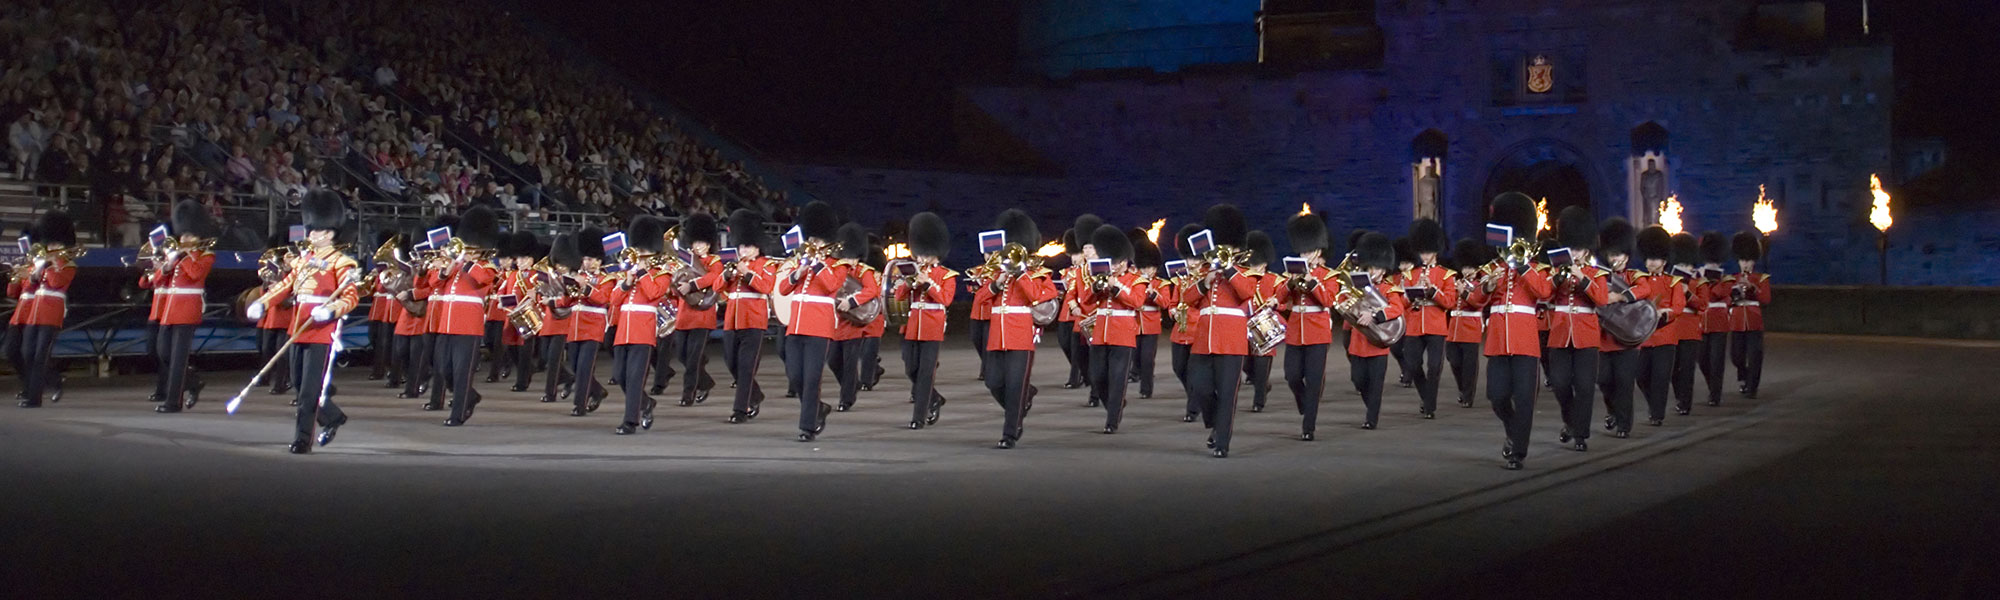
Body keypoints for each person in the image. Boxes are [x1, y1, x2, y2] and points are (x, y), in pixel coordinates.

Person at [244, 191, 357, 454]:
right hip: (298, 328)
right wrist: (263, 303)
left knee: (308, 392)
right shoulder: (304, 261)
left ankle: (302, 439)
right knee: (298, 384)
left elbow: (350, 297)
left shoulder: (342, 262)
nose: (310, 235)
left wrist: (330, 311)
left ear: (329, 233)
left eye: (315, 231)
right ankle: (332, 416)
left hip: (321, 332)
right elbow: (285, 286)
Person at [1468, 193, 1555, 470]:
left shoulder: (1537, 268)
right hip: (1497, 341)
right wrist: (1487, 287)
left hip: (1526, 340)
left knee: (1525, 398)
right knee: (1497, 395)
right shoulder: (1491, 268)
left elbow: (1544, 292)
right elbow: (1473, 300)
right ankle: (1512, 430)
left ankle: (1518, 451)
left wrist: (1521, 266)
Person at [1184, 205, 1256, 457]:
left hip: (1231, 339)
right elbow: (1187, 297)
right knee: (1200, 387)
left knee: (1227, 394)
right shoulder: (1204, 271)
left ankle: (1222, 442)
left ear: (1236, 248)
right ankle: (1215, 425)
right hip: (1204, 339)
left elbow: (1247, 293)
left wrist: (1228, 269)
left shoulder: (1244, 271)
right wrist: (1205, 282)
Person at [983, 209, 1057, 449]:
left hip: (1021, 335)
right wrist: (997, 283)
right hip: (997, 335)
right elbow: (980, 299)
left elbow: (1036, 297)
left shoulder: (1038, 274)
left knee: (1015, 386)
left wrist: (1021, 273)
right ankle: (1023, 401)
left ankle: (1010, 433)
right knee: (994, 382)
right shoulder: (995, 272)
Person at [777, 201, 847, 441]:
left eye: (818, 241)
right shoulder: (800, 262)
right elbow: (784, 289)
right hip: (795, 325)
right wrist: (798, 272)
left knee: (811, 378)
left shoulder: (838, 265)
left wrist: (816, 264)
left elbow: (831, 286)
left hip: (819, 327)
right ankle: (818, 408)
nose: (813, 244)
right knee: (795, 375)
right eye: (812, 240)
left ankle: (808, 426)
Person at [1543, 207, 1608, 451]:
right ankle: (1571, 422)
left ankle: (1580, 434)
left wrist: (1581, 277)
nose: (1575, 253)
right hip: (1560, 333)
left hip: (1586, 334)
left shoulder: (1596, 273)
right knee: (1559, 383)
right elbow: (1545, 295)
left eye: (1579, 249)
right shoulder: (1556, 270)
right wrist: (1558, 278)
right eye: (1572, 248)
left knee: (1583, 385)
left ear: (1587, 249)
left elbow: (1601, 299)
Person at [433, 206, 502, 426]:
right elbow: (435, 283)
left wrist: (467, 261)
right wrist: (446, 266)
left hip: (469, 326)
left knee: (462, 373)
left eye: (472, 248)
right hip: (447, 323)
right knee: (444, 369)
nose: (468, 251)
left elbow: (482, 279)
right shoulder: (455, 266)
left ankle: (458, 413)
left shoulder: (487, 267)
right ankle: (470, 397)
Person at [150, 201, 219, 413]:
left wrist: (183, 256)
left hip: (188, 309)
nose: (185, 239)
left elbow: (196, 274)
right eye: (183, 236)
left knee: (178, 358)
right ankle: (192, 382)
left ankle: (173, 402)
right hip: (170, 310)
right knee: (163, 353)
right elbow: (157, 281)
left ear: (199, 236)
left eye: (190, 236)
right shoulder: (177, 255)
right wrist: (167, 264)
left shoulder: (206, 255)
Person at [608, 216, 674, 434]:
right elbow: (614, 300)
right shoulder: (626, 272)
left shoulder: (661, 274)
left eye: (644, 250)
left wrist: (643, 273)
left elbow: (655, 293)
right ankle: (646, 404)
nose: (640, 253)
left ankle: (630, 422)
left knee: (635, 379)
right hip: (623, 332)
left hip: (643, 331)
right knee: (620, 376)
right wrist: (627, 281)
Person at [1340, 233, 1408, 430]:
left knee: (1376, 384)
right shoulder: (1357, 286)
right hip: (1358, 342)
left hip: (1377, 343)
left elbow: (1397, 308)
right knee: (1358, 380)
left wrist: (1376, 315)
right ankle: (1372, 408)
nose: (1373, 271)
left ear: (1384, 268)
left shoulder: (1389, 288)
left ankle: (1372, 418)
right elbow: (1345, 302)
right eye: (1370, 267)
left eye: (1376, 267)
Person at [894, 212, 956, 429]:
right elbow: (899, 296)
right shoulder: (913, 271)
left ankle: (918, 418)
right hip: (912, 326)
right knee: (911, 369)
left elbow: (945, 299)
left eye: (922, 253)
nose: (918, 257)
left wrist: (928, 283)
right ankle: (935, 398)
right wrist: (909, 283)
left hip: (932, 326)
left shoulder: (947, 275)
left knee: (925, 373)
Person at [1278, 211, 1335, 440]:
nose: (1306, 254)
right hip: (1295, 330)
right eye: (1303, 250)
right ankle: (1305, 406)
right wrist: (1291, 283)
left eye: (1309, 250)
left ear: (1318, 251)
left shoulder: (1328, 275)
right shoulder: (1290, 273)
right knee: (1292, 376)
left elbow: (1328, 300)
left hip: (1317, 331)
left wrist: (1312, 283)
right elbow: (1281, 297)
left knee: (1313, 380)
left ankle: (1308, 426)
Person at [1595, 218, 1654, 439]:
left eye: (1618, 255)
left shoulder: (1634, 275)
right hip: (1604, 339)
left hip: (1627, 338)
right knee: (1604, 380)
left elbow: (1644, 289)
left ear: (1627, 256)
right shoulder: (1600, 276)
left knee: (1625, 382)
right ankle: (1612, 410)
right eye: (1611, 255)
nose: (1614, 259)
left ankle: (1624, 424)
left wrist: (1620, 295)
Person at [1083, 224, 1144, 433]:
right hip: (1101, 332)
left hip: (1123, 333)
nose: (1115, 266)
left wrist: (1116, 287)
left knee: (1118, 379)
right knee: (1097, 377)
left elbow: (1136, 302)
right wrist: (1096, 287)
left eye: (1118, 262)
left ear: (1125, 262)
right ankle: (1115, 406)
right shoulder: (1101, 276)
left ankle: (1112, 421)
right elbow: (1086, 302)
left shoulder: (1137, 280)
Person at [14, 213, 76, 408]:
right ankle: (35, 390)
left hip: (51, 313)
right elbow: (31, 285)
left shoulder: (68, 264)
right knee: (27, 353)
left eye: (55, 245)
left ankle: (34, 398)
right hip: (35, 312)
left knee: (40, 355)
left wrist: (49, 266)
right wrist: (34, 273)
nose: (52, 248)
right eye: (51, 245)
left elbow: (57, 282)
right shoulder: (44, 262)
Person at [721, 209, 777, 423]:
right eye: (742, 245)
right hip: (732, 320)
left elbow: (766, 286)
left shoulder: (767, 265)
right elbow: (719, 287)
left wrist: (747, 273)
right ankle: (755, 395)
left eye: (748, 246)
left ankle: (740, 409)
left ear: (758, 247)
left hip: (753, 321)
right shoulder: (733, 264)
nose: (744, 249)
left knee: (745, 367)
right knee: (731, 363)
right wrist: (727, 275)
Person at [1399, 218, 1455, 419]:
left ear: (1436, 251)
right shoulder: (1410, 275)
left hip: (1436, 325)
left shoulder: (1446, 275)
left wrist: (1433, 292)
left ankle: (1429, 406)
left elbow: (1449, 302)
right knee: (1413, 366)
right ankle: (1427, 398)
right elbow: (1402, 302)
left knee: (1434, 367)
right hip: (1415, 325)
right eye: (1422, 252)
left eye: (1428, 252)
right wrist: (1409, 296)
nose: (1424, 256)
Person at [556, 226, 613, 418]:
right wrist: (565, 289)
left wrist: (584, 286)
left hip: (594, 327)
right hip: (576, 327)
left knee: (585, 368)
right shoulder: (579, 277)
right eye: (585, 259)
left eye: (590, 259)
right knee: (575, 366)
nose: (586, 262)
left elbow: (603, 299)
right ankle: (597, 391)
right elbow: (566, 302)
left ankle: (578, 405)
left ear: (599, 260)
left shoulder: (606, 279)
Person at [1634, 226, 1686, 427]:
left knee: (1661, 377)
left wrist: (1666, 313)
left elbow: (1678, 306)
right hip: (1646, 337)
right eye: (1648, 259)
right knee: (1642, 376)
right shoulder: (1641, 280)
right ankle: (1653, 404)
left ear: (1664, 261)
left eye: (1655, 259)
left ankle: (1657, 413)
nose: (1651, 263)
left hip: (1665, 335)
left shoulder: (1673, 282)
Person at [670, 212, 724, 407]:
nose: (698, 246)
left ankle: (688, 394)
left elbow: (713, 278)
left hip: (702, 316)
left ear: (709, 244)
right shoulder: (685, 261)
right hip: (685, 314)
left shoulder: (714, 261)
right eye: (695, 243)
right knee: (683, 355)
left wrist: (692, 285)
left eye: (702, 243)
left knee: (692, 359)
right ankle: (706, 382)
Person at [825, 224, 879, 413]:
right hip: (835, 323)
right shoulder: (836, 268)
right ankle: (851, 386)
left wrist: (852, 301)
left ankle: (846, 398)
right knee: (833, 361)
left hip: (853, 324)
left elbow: (872, 290)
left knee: (849, 364)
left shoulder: (864, 271)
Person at [1059, 216, 1103, 399]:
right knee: (1081, 358)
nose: (1086, 251)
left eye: (1090, 247)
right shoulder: (1079, 271)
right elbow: (1071, 292)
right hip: (1081, 319)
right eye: (1084, 248)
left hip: (1099, 317)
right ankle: (1090, 382)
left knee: (1096, 359)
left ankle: (1095, 394)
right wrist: (1073, 305)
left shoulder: (1105, 268)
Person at [1240, 231, 1282, 413]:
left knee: (1262, 365)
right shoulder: (1243, 279)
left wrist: (1276, 302)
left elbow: (1285, 300)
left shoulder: (1274, 280)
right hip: (1244, 326)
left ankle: (1259, 401)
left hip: (1264, 326)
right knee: (1246, 364)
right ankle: (1262, 385)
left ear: (1264, 263)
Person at [1445, 238, 1489, 409]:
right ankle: (1462, 389)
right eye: (1464, 267)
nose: (1466, 271)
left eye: (1470, 267)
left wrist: (1463, 293)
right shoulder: (1457, 282)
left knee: (1469, 365)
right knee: (1454, 360)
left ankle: (1468, 395)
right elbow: (1449, 303)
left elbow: (1478, 302)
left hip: (1471, 327)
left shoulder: (1479, 284)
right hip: (1454, 327)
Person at [1727, 231, 1770, 399]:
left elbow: (1765, 299)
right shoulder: (1732, 278)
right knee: (1736, 356)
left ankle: (1752, 387)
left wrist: (1753, 288)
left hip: (1754, 322)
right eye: (1742, 260)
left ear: (1753, 261)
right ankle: (1744, 376)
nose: (1745, 264)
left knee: (1755, 356)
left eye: (1748, 260)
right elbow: (1726, 300)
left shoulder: (1761, 278)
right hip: (1737, 322)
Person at [1167, 223, 1202, 422]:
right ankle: (1197, 397)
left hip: (1198, 328)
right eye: (1188, 258)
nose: (1190, 262)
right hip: (1180, 330)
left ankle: (1192, 409)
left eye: (1194, 258)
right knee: (1178, 367)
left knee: (1194, 370)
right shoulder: (1181, 278)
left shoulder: (1206, 277)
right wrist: (1172, 310)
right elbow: (1173, 300)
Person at [1668, 233, 1704, 415]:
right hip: (1673, 328)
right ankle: (1679, 396)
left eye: (1686, 265)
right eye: (1681, 265)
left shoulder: (1698, 282)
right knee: (1674, 368)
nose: (1684, 268)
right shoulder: (1670, 281)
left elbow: (1702, 304)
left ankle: (1685, 403)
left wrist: (1687, 293)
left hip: (1690, 329)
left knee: (1687, 368)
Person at [1696, 232, 1732, 407]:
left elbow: (1720, 294)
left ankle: (1715, 394)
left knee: (1716, 360)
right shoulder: (1698, 275)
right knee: (1702, 359)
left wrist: (1710, 282)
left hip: (1719, 321)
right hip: (1702, 322)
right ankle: (1713, 387)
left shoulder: (1726, 278)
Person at [1127, 228, 1164, 399]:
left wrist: (1152, 293)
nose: (1148, 271)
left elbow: (1165, 303)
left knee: (1148, 359)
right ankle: (1135, 374)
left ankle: (1146, 389)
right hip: (1135, 323)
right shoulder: (1134, 280)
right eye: (1145, 268)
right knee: (1136, 357)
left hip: (1151, 325)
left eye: (1151, 268)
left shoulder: (1160, 283)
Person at [365, 231, 401, 381]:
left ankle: (389, 370)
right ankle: (380, 369)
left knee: (387, 342)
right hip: (379, 308)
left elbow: (385, 288)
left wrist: (381, 275)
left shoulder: (395, 271)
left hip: (390, 307)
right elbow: (371, 291)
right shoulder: (381, 271)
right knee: (375, 339)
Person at [1389, 237, 1418, 388]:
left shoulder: (1417, 278)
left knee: (1410, 349)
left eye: (1407, 263)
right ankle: (1406, 368)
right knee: (1395, 347)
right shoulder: (1394, 278)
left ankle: (1409, 374)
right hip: (1398, 318)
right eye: (1402, 263)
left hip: (1412, 317)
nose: (1404, 266)